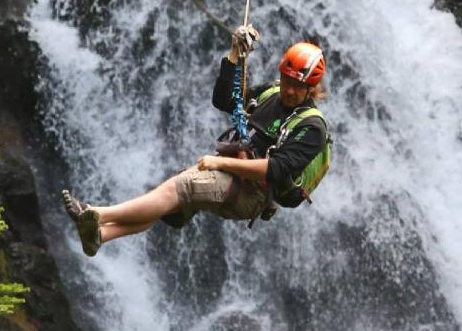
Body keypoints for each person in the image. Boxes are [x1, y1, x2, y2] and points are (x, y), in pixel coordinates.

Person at [61, 28, 329, 255]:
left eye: (298, 86)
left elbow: (276, 169)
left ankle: (94, 213)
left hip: (252, 193)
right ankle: (100, 236)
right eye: (287, 80)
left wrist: (219, 161)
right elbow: (224, 100)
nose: (290, 90)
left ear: (311, 89)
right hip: (230, 170)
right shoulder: (271, 92)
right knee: (165, 200)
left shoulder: (311, 127)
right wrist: (235, 54)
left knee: (178, 188)